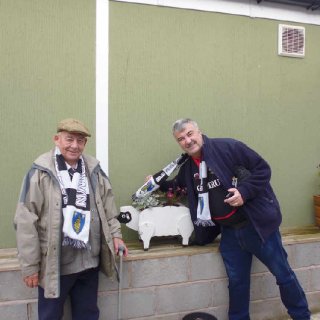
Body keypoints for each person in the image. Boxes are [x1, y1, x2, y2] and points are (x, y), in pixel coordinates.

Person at [159, 118, 310, 320]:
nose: (187, 141)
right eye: (181, 139)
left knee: (283, 276)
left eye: (189, 134)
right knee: (237, 284)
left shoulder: (228, 147)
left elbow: (263, 169)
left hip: (256, 227)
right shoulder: (188, 168)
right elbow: (179, 187)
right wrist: (156, 183)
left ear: (199, 132)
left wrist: (243, 192)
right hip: (228, 233)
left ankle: (302, 316)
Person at [14, 118, 128, 320]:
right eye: (69, 139)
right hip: (55, 265)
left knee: (88, 315)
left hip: (88, 262)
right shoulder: (41, 172)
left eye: (80, 140)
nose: (75, 146)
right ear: (57, 139)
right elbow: (25, 221)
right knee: (50, 316)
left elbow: (108, 207)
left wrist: (116, 235)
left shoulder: (94, 170)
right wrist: (30, 266)